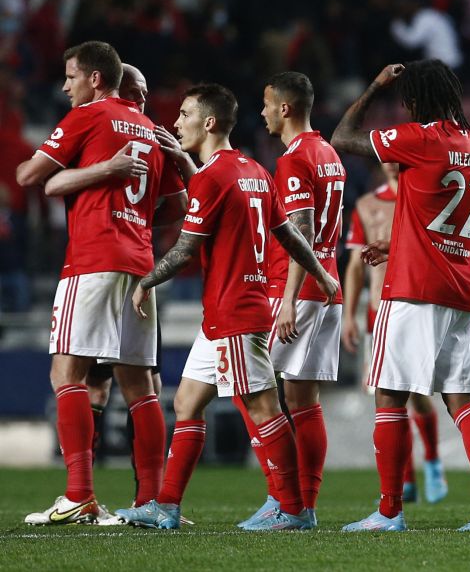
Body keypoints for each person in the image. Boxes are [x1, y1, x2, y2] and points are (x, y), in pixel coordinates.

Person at [114, 83, 338, 530]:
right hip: (222, 315)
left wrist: (145, 281)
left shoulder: (216, 175)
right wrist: (321, 271)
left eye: (184, 114)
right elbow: (289, 234)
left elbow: (183, 250)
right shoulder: (251, 169)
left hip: (235, 312)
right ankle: (167, 506)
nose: (177, 123)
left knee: (262, 409)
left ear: (209, 122)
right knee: (187, 402)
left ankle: (293, 508)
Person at [330, 59, 470, 532]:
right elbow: (440, 213)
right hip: (461, 287)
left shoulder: (418, 138)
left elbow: (342, 137)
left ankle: (389, 512)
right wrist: (398, 240)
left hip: (412, 289)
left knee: (390, 397)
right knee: (461, 398)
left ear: (414, 100)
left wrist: (374, 86)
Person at [16, 43, 187, 525]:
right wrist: (134, 216)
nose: (65, 86)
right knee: (140, 387)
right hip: (140, 262)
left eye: (70, 76)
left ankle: (80, 494)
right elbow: (176, 207)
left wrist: (91, 177)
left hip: (92, 259)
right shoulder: (153, 133)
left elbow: (30, 175)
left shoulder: (89, 116)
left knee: (64, 376)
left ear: (95, 79)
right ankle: (150, 502)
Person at [234, 72, 346, 529]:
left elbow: (300, 232)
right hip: (329, 286)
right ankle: (304, 505)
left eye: (265, 103)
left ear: (284, 108)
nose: (260, 112)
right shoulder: (330, 154)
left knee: (246, 385)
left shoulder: (296, 159)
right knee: (303, 399)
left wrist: (286, 301)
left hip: (297, 291)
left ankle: (284, 498)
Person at [342, 163, 448, 505]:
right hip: (378, 311)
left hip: (415, 304)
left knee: (416, 394)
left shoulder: (423, 198)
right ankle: (406, 482)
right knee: (388, 400)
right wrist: (349, 315)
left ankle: (431, 461)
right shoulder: (366, 204)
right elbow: (357, 264)